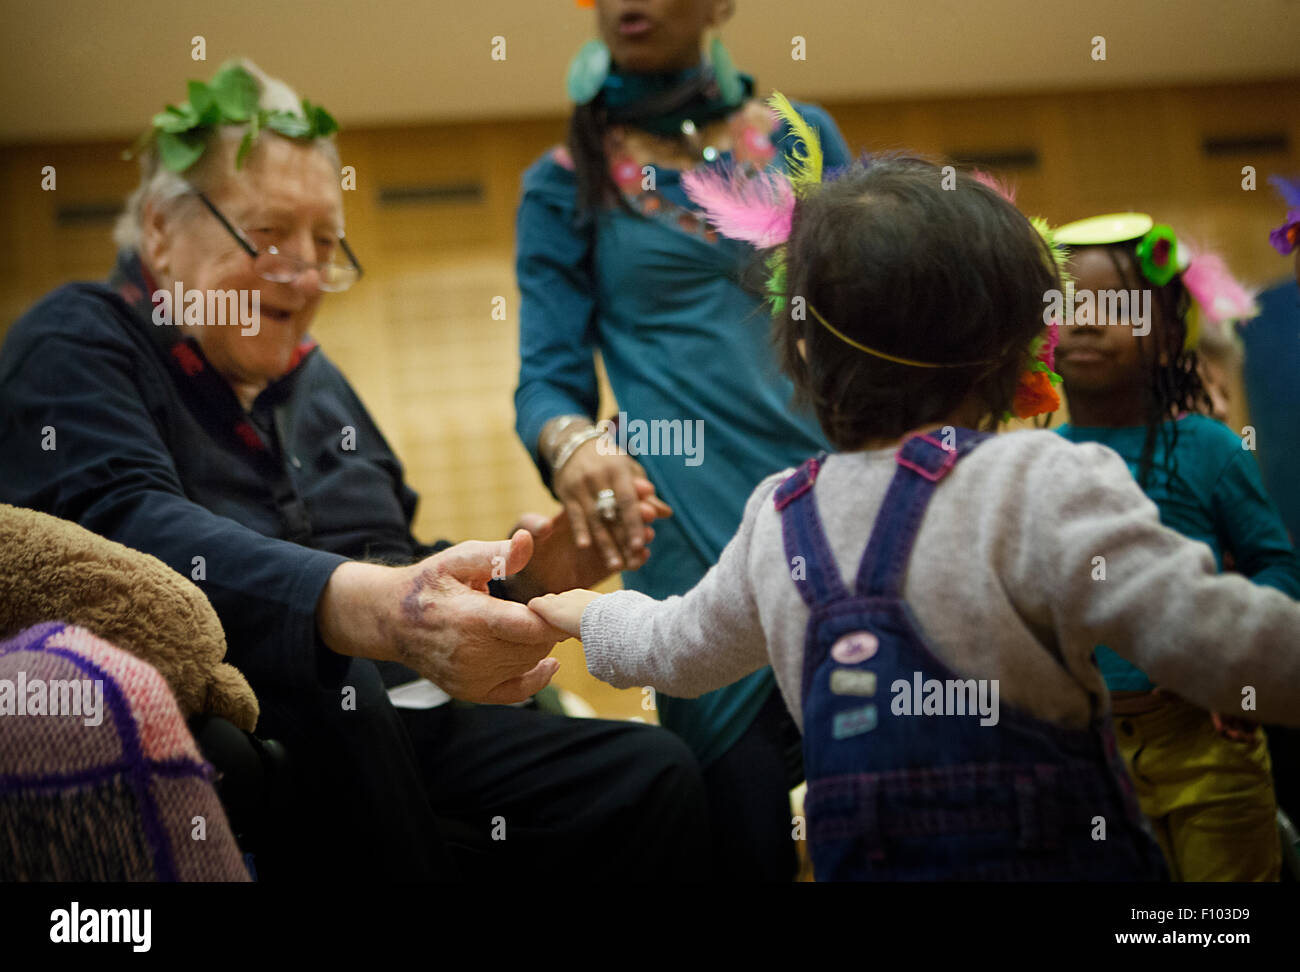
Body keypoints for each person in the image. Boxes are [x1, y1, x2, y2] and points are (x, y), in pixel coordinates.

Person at [0, 60, 710, 882]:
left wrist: (525, 575)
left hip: (417, 719)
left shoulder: (317, 379)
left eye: (326, 243)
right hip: (271, 723)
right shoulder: (76, 341)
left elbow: (391, 553)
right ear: (161, 230)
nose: (304, 272)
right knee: (341, 698)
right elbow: (119, 532)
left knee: (652, 779)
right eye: (267, 235)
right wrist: (365, 613)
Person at [527, 147, 1300, 881]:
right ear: (1019, 354)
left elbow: (675, 648)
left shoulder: (779, 514)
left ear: (797, 356)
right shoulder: (1042, 479)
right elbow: (1216, 636)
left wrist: (571, 613)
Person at [515, 0, 849, 880]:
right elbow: (546, 379)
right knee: (747, 838)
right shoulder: (563, 178)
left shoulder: (802, 137)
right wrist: (575, 444)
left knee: (891, 827)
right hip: (693, 546)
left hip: (843, 518)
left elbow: (873, 312)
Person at [1051, 213, 1300, 881]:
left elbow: (1275, 563)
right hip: (1090, 757)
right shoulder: (1038, 464)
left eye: (1114, 307)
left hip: (1207, 742)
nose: (1084, 321)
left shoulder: (1209, 449)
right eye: (1068, 305)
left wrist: (1243, 672)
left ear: (1166, 335)